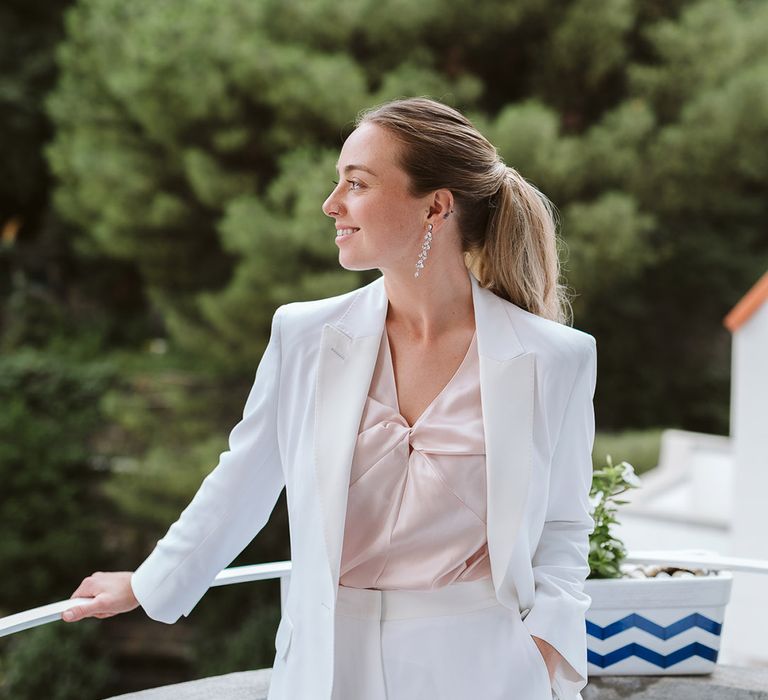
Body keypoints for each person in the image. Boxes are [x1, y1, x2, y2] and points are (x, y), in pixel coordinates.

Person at [64, 96, 597, 700]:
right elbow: (245, 479)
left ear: (436, 207)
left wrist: (544, 650)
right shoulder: (305, 336)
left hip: (483, 670)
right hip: (325, 665)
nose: (331, 204)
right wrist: (149, 583)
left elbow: (562, 523)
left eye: (357, 184)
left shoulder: (555, 358)